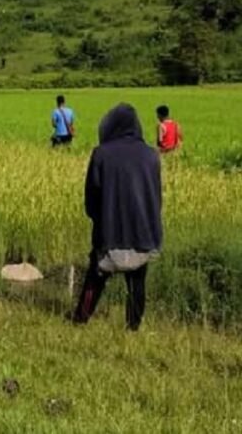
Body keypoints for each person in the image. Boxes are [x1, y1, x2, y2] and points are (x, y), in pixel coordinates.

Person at [73, 104, 162, 331]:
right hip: (143, 231)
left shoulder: (102, 154)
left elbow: (92, 196)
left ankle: (80, 320)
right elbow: (156, 197)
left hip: (109, 229)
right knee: (137, 281)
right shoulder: (151, 155)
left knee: (96, 277)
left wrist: (98, 220)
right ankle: (133, 326)